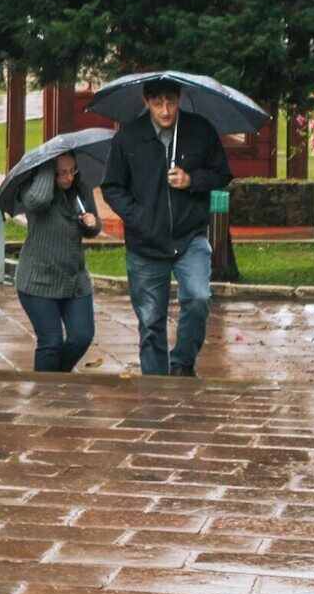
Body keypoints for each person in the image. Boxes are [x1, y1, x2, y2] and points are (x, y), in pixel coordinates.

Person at [100, 80, 231, 377]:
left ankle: (182, 364)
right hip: (145, 245)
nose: (166, 110)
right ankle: (155, 385)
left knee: (198, 298)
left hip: (190, 238)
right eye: (158, 103)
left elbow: (222, 173)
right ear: (146, 102)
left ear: (180, 98)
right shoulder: (129, 138)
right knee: (150, 323)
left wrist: (192, 180)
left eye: (171, 102)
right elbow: (112, 187)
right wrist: (139, 218)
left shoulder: (199, 131)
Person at [13, 153, 97, 371]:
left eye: (72, 171)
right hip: (38, 281)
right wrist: (47, 171)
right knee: (51, 343)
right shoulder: (30, 189)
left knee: (82, 336)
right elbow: (38, 201)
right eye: (62, 173)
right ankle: (46, 393)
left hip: (74, 279)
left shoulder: (80, 190)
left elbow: (93, 229)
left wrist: (92, 223)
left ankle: (57, 378)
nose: (68, 178)